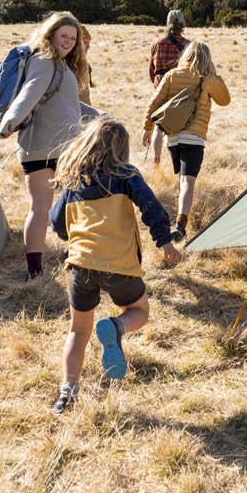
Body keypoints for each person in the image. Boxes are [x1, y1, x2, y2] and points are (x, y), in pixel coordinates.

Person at [48, 116, 181, 414]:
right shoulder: (126, 175)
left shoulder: (73, 181)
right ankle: (116, 327)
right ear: (121, 148)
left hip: (81, 264)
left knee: (78, 330)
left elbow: (57, 223)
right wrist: (165, 241)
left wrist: (76, 235)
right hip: (119, 264)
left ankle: (66, 394)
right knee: (139, 311)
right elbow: (151, 207)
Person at [0, 11, 96, 279]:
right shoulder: (44, 60)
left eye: (73, 38)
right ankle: (35, 270)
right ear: (50, 34)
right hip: (41, 148)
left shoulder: (63, 65)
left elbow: (68, 105)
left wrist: (99, 118)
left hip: (66, 149)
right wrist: (10, 122)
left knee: (73, 205)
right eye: (63, 35)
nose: (68, 42)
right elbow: (29, 94)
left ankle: (74, 256)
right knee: (41, 208)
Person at [142, 41, 230, 241]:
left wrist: (147, 127)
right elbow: (225, 100)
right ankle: (181, 224)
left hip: (172, 138)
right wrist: (214, 75)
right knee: (187, 181)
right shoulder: (207, 79)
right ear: (207, 59)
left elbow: (154, 102)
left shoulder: (172, 75)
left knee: (181, 182)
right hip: (194, 138)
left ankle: (175, 218)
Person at [146, 10, 190, 168]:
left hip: (161, 85)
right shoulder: (188, 45)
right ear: (183, 24)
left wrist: (157, 85)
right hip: (181, 87)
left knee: (159, 125)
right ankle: (179, 162)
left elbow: (151, 70)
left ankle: (156, 159)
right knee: (180, 126)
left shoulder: (157, 43)